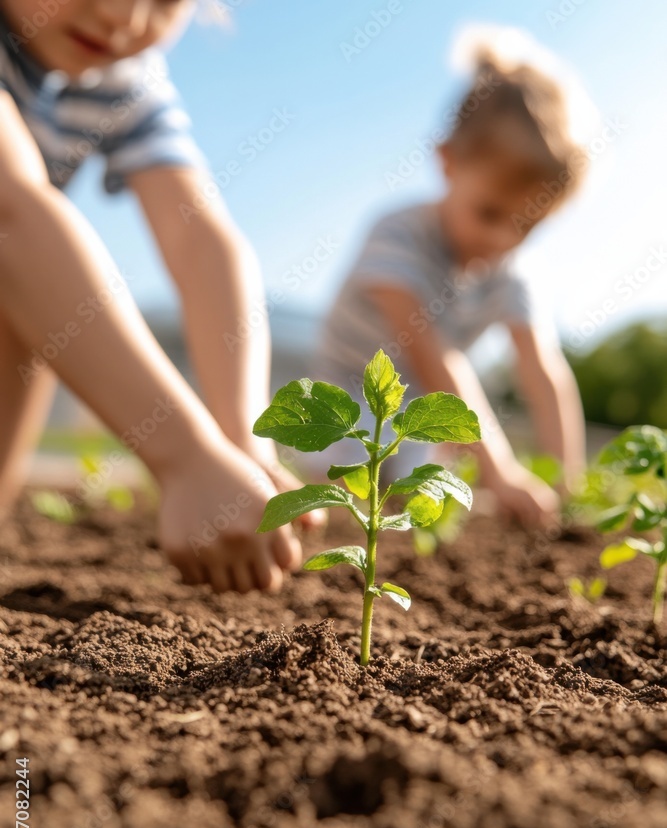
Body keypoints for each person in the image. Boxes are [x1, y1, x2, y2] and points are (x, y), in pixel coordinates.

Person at [0, 0, 322, 593]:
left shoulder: (121, 75)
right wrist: (186, 458)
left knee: (34, 294)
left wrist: (238, 441)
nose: (122, 15)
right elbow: (12, 213)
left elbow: (200, 241)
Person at [315, 28, 590, 527]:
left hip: (420, 408)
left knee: (430, 502)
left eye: (528, 223)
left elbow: (542, 368)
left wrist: (565, 481)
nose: (505, 239)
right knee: (346, 481)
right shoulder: (398, 234)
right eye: (489, 213)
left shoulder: (512, 268)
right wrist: (500, 469)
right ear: (447, 162)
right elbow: (434, 354)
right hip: (346, 392)